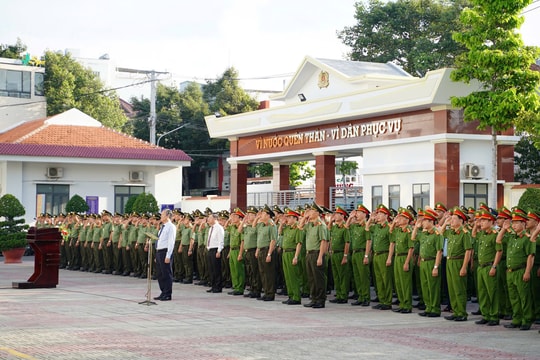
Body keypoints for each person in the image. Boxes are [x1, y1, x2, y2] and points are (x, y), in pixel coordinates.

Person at [498, 208, 537, 330]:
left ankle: (527, 320)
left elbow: (530, 256)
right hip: (510, 271)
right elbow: (498, 240)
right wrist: (504, 228)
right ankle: (517, 319)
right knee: (514, 297)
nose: (514, 225)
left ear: (524, 224)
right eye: (513, 223)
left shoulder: (527, 238)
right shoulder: (512, 237)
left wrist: (527, 271)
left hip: (521, 270)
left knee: (524, 297)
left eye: (516, 223)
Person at [439, 207, 473, 322]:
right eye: (452, 218)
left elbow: (468, 251)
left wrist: (464, 267)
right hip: (449, 261)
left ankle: (462, 313)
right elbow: (440, 232)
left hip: (459, 261)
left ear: (461, 221)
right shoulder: (451, 232)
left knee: (459, 288)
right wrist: (445, 222)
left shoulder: (465, 233)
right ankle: (455, 311)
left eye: (454, 219)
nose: (452, 220)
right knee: (452, 288)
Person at [472, 209, 502, 326]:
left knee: (492, 292)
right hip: (481, 267)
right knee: (482, 292)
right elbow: (473, 234)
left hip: (490, 266)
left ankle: (494, 316)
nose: (482, 222)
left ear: (491, 222)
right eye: (481, 220)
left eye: (484, 220)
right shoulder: (482, 235)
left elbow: (498, 252)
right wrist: (476, 224)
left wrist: (494, 266)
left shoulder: (495, 235)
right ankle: (485, 315)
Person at [412, 208, 443, 318]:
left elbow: (439, 251)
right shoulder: (424, 234)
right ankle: (428, 307)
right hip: (423, 262)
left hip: (431, 262)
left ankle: (435, 309)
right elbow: (413, 237)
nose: (422, 222)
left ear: (431, 221)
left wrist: (436, 266)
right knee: (425, 286)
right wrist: (416, 227)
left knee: (433, 286)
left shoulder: (437, 234)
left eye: (425, 220)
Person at [299, 202, 329, 309]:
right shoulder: (310, 224)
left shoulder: (321, 225)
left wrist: (320, 256)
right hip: (309, 253)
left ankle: (320, 300)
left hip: (317, 253)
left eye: (311, 211)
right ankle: (314, 298)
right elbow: (300, 226)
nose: (309, 213)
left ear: (317, 213)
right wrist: (304, 217)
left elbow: (323, 242)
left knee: (318, 278)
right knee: (311, 278)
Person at [389, 207, 415, 313]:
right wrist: (394, 223)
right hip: (397, 257)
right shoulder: (398, 231)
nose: (397, 219)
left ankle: (407, 305)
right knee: (398, 282)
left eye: (400, 217)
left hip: (405, 257)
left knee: (405, 283)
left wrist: (407, 262)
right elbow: (390, 231)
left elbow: (411, 248)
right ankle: (402, 304)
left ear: (406, 220)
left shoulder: (408, 231)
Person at [154, 209, 176, 301]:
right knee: (160, 274)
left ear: (167, 216)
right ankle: (163, 292)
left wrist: (168, 255)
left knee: (166, 274)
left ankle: (167, 294)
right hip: (159, 252)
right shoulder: (163, 226)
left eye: (162, 215)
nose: (161, 216)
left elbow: (171, 242)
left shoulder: (171, 227)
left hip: (165, 251)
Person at [206, 212, 225, 293]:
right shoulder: (211, 228)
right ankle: (213, 285)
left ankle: (218, 286)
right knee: (211, 269)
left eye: (210, 218)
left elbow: (221, 240)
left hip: (216, 250)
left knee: (216, 269)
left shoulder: (219, 228)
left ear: (214, 219)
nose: (208, 220)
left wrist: (219, 251)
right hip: (210, 250)